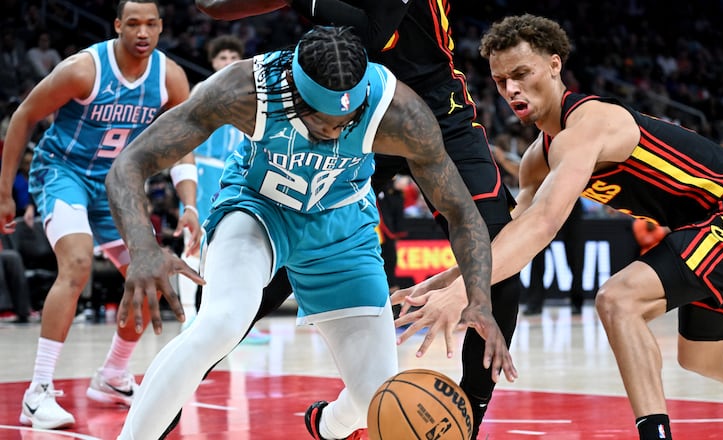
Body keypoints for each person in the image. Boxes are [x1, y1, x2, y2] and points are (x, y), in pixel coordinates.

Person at [105, 26, 515, 440]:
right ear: (294, 95)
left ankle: (328, 427)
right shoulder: (243, 90)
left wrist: (479, 297)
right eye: (323, 122)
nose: (336, 131)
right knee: (221, 324)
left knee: (375, 401)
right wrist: (142, 248)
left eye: (346, 120)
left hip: (342, 226)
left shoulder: (401, 113)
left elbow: (461, 211)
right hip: (258, 209)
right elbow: (130, 164)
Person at [393, 14, 723, 440]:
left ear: (554, 64)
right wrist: (443, 282)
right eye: (501, 79)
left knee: (618, 300)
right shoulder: (536, 159)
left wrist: (461, 296)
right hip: (703, 227)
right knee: (703, 358)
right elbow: (509, 236)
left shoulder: (590, 124)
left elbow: (543, 225)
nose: (511, 90)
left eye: (522, 74)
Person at [0, 0, 200, 430]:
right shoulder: (84, 69)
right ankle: (37, 393)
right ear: (117, 26)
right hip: (63, 172)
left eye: (151, 24)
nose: (142, 32)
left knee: (150, 277)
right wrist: (4, 193)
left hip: (117, 186)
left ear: (162, 27)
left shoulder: (169, 77)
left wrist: (188, 204)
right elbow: (24, 116)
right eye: (133, 23)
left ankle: (113, 375)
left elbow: (183, 145)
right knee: (75, 264)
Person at [176, 34, 271, 344]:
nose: (228, 62)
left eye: (233, 56)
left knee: (235, 247)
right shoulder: (201, 92)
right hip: (204, 173)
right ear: (212, 61)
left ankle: (237, 320)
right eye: (221, 57)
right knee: (194, 243)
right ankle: (189, 315)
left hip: (237, 174)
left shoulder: (255, 96)